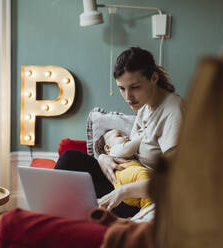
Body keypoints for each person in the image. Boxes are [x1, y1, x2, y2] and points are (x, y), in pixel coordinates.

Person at [55, 46, 183, 218]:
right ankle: (49, 217)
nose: (128, 96)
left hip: (147, 197)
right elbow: (128, 149)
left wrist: (123, 191)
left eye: (134, 87)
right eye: (122, 88)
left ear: (154, 78)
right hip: (127, 179)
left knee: (75, 196)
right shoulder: (146, 107)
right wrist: (103, 158)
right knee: (70, 158)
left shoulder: (174, 112)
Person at [95, 128, 152, 210]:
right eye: (119, 135)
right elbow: (128, 148)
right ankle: (148, 209)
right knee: (142, 173)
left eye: (126, 135)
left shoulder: (133, 155)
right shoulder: (115, 150)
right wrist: (143, 135)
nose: (126, 137)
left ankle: (144, 209)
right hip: (124, 175)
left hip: (133, 186)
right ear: (108, 148)